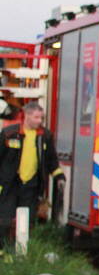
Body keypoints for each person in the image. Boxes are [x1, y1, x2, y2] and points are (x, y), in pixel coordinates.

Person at [0, 102, 64, 242]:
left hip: (31, 184)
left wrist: (59, 176)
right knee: (5, 219)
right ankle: (4, 251)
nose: (39, 121)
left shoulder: (44, 136)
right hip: (10, 183)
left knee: (27, 221)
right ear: (26, 116)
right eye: (36, 117)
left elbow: (51, 160)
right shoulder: (9, 133)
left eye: (41, 118)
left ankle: (22, 252)